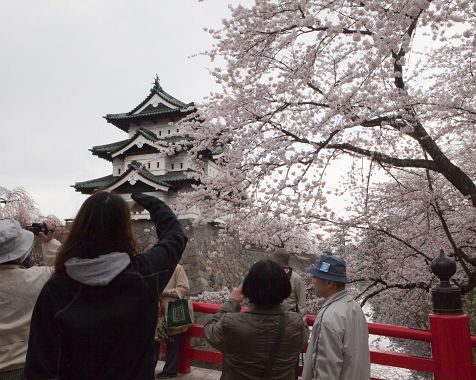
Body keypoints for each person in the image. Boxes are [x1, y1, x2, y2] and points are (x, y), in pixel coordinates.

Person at [24, 192, 188, 380]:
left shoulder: (57, 289)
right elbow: (175, 235)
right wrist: (147, 200)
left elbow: (39, 367)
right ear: (123, 229)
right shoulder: (144, 275)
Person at [204, 259, 309, 380]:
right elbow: (303, 340)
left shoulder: (231, 322)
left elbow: (209, 331)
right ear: (285, 288)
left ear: (247, 287)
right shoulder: (295, 323)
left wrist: (232, 301)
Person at [0, 218, 54, 380]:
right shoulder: (39, 277)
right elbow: (66, 271)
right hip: (25, 367)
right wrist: (49, 243)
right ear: (21, 254)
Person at [301, 255, 370, 380]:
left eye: (316, 277)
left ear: (329, 282)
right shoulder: (355, 307)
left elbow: (324, 372)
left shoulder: (328, 317)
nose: (312, 282)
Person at [157, 264, 190, 378]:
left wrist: (166, 292)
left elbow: (184, 288)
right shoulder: (156, 266)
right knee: (154, 340)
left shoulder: (177, 268)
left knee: (173, 340)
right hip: (157, 309)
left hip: (173, 308)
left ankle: (170, 370)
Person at [269, 248, 307, 316]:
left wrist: (301, 322)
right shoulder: (269, 275)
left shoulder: (296, 278)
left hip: (289, 317)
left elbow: (302, 304)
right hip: (271, 316)